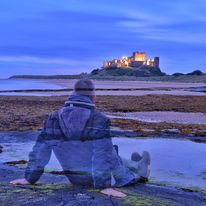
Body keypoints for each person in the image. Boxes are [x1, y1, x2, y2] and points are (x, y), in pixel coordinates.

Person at [10, 79, 151, 188]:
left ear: (73, 94)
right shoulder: (99, 119)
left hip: (75, 179)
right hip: (98, 180)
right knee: (109, 152)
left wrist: (29, 178)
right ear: (93, 97)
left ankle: (134, 164)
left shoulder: (52, 118)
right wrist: (104, 186)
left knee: (109, 151)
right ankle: (141, 169)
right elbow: (102, 154)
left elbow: (41, 151)